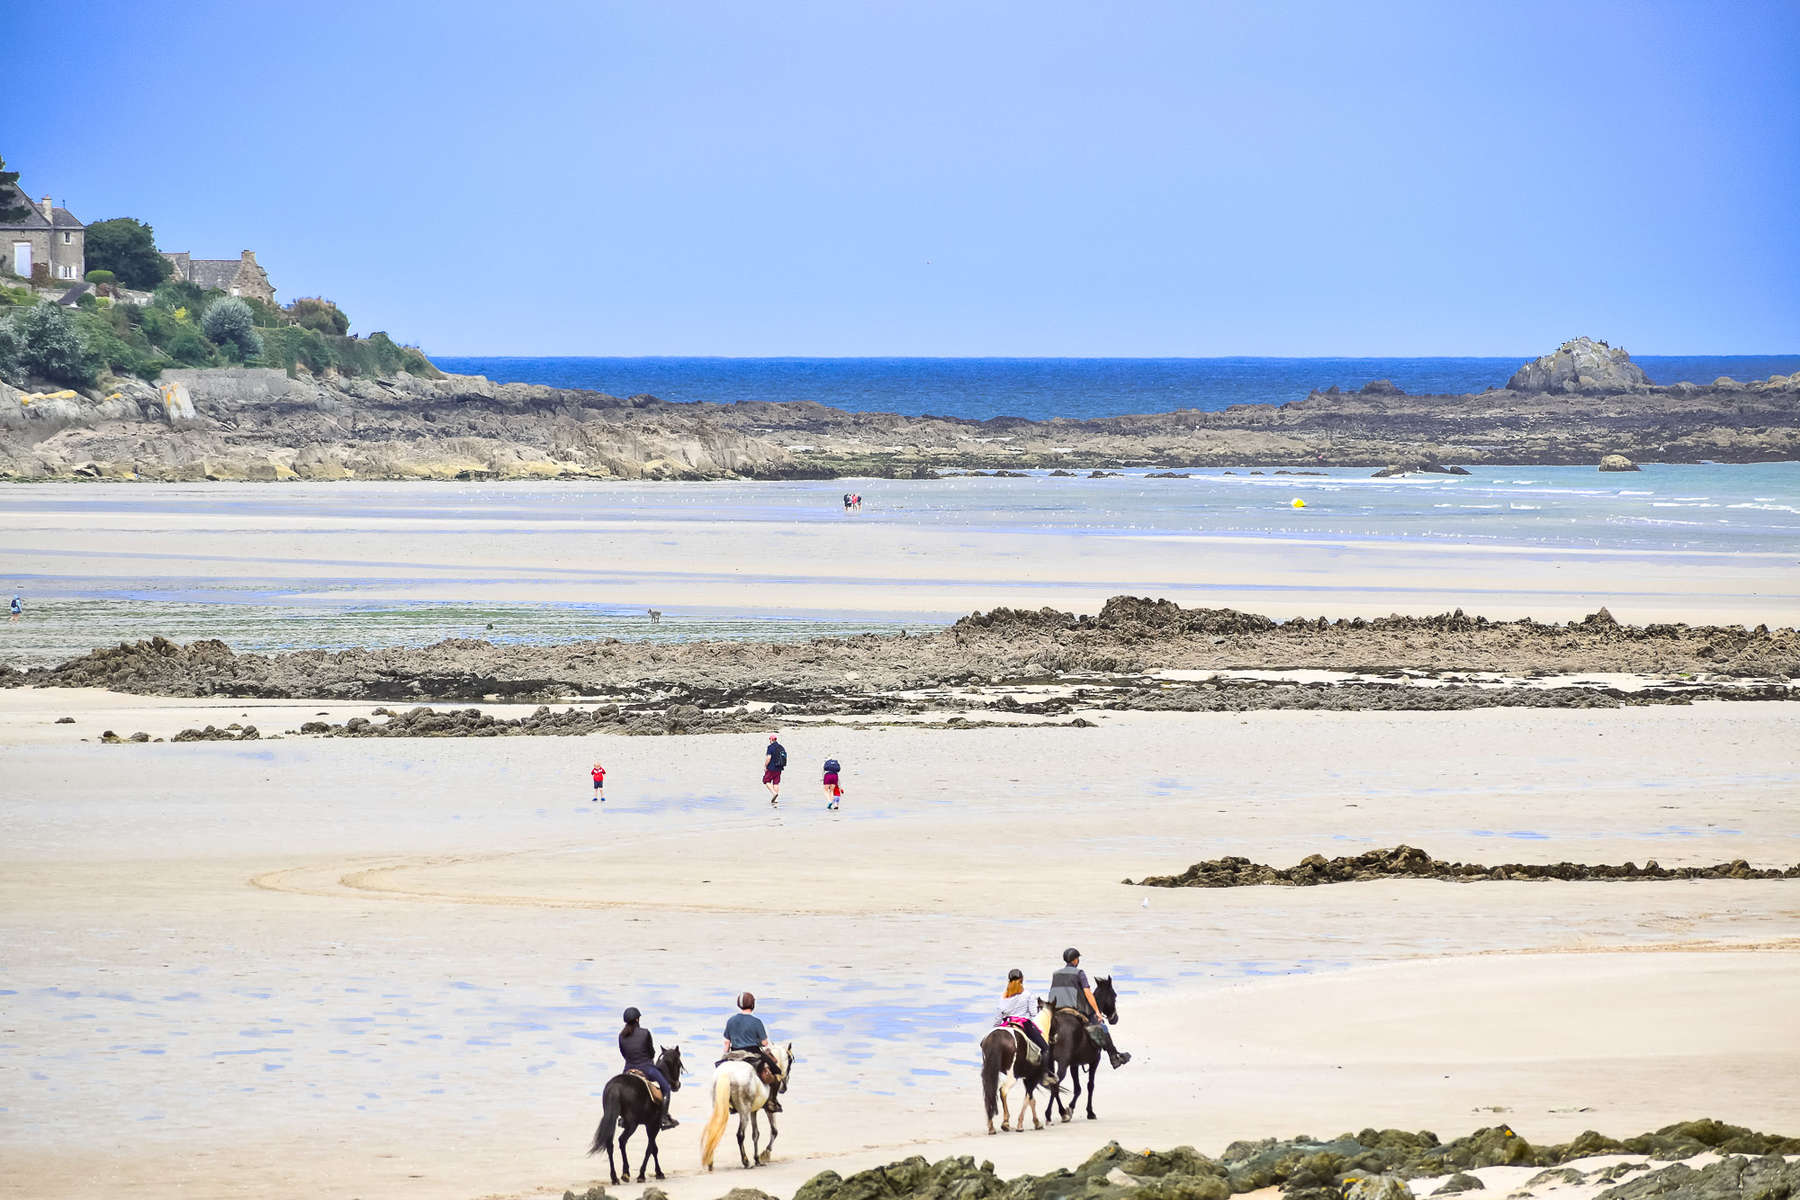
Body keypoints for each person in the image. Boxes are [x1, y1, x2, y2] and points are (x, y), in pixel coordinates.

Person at [1048, 948, 1130, 1069]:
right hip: (1073, 1009)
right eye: (1078, 959)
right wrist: (1097, 1012)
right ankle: (1114, 1057)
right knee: (1101, 1027)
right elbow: (1088, 993)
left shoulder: (1056, 973)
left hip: (1055, 1011)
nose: (1078, 960)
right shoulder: (1079, 973)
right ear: (1075, 960)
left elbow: (1053, 991)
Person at [721, 991, 782, 1112]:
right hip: (752, 1054)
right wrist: (758, 1042)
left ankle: (728, 1102)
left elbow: (726, 1043)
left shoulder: (731, 1020)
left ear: (739, 1004)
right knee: (777, 1072)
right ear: (753, 1005)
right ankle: (771, 1102)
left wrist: (725, 1056)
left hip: (734, 1054)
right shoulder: (756, 1022)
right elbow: (765, 1043)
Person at [619, 1006, 677, 1129]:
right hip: (646, 1067)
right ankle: (664, 1118)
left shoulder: (621, 1036)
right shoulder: (645, 1032)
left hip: (628, 1068)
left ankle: (623, 1118)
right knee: (666, 1088)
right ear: (637, 1019)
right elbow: (651, 1053)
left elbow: (623, 1054)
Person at [993, 968, 1049, 1062]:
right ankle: (1044, 1073)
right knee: (1045, 1049)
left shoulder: (1003, 996)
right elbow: (1033, 1013)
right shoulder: (1028, 995)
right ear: (1022, 980)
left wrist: (995, 1028)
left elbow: (999, 1014)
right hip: (1024, 1024)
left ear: (1009, 980)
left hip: (1007, 1023)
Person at [763, 733, 786, 804]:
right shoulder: (781, 747)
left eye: (769, 739)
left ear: (771, 740)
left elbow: (768, 758)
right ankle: (775, 800)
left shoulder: (770, 747)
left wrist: (765, 766)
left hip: (771, 768)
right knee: (776, 782)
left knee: (766, 780)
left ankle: (774, 793)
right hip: (779, 767)